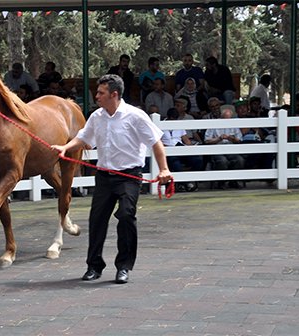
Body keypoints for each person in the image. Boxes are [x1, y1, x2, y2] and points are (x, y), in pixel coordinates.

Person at [51, 74, 172, 284]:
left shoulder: (135, 116)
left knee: (126, 216)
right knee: (97, 220)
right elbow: (82, 138)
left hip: (129, 176)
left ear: (114, 94)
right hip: (104, 177)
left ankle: (123, 266)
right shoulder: (97, 117)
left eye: (100, 93)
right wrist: (65, 147)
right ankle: (93, 266)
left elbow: (156, 142)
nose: (96, 96)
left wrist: (164, 170)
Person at [161, 108, 203, 192]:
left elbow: (186, 139)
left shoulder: (178, 124)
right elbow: (158, 141)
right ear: (168, 117)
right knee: (176, 163)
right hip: (167, 149)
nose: (173, 121)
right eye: (172, 119)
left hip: (179, 147)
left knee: (197, 160)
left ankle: (192, 180)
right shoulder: (161, 125)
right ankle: (185, 184)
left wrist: (191, 148)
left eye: (175, 119)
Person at [204, 107, 245, 189]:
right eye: (225, 118)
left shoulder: (234, 124)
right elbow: (206, 140)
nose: (227, 120)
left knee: (240, 160)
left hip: (231, 149)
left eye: (229, 118)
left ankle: (233, 181)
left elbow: (240, 140)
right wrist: (218, 138)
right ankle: (221, 182)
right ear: (221, 117)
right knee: (222, 161)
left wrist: (232, 138)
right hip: (217, 149)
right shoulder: (214, 124)